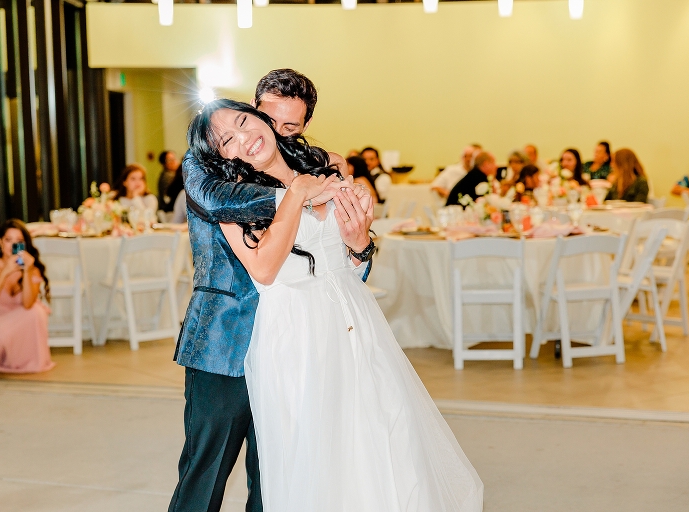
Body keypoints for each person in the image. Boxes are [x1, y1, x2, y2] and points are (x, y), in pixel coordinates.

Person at [189, 99, 483, 511]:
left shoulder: (323, 170)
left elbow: (347, 262)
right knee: (311, 454)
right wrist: (296, 194)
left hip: (353, 321)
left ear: (261, 118)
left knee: (380, 436)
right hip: (295, 333)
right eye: (227, 141)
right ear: (223, 156)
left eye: (243, 122)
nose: (244, 137)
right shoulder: (231, 199)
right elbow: (265, 270)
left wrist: (359, 242)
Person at [170, 70, 373, 512]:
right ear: (252, 109)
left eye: (291, 127)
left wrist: (360, 246)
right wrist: (298, 194)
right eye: (268, 119)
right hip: (225, 343)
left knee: (276, 479)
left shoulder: (311, 166)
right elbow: (224, 205)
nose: (276, 133)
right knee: (205, 474)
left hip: (293, 347)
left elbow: (335, 267)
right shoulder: (208, 162)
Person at [0, 219, 54, 373]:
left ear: (25, 244)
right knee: (2, 331)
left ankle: (28, 362)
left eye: (19, 241)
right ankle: (8, 358)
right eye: (8, 240)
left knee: (35, 312)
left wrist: (26, 271)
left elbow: (28, 304)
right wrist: (5, 271)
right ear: (0, 242)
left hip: (23, 316)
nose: (13, 245)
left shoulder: (32, 269)